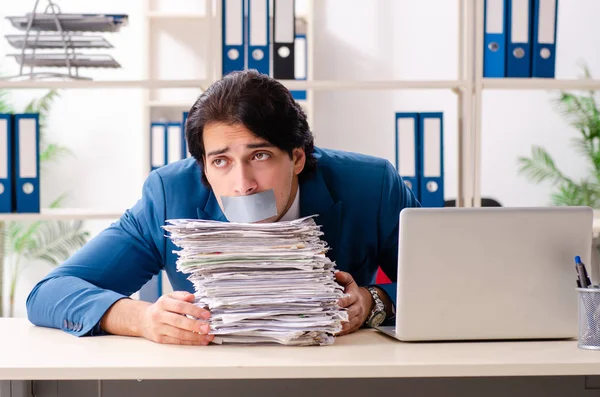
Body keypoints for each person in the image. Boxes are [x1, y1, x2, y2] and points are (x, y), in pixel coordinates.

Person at [26, 69, 420, 345]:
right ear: (203, 166)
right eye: (221, 161)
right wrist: (142, 319)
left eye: (261, 156)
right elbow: (50, 293)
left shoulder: (371, 186)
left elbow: (449, 286)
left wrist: (374, 302)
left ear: (297, 158)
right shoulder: (170, 194)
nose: (243, 184)